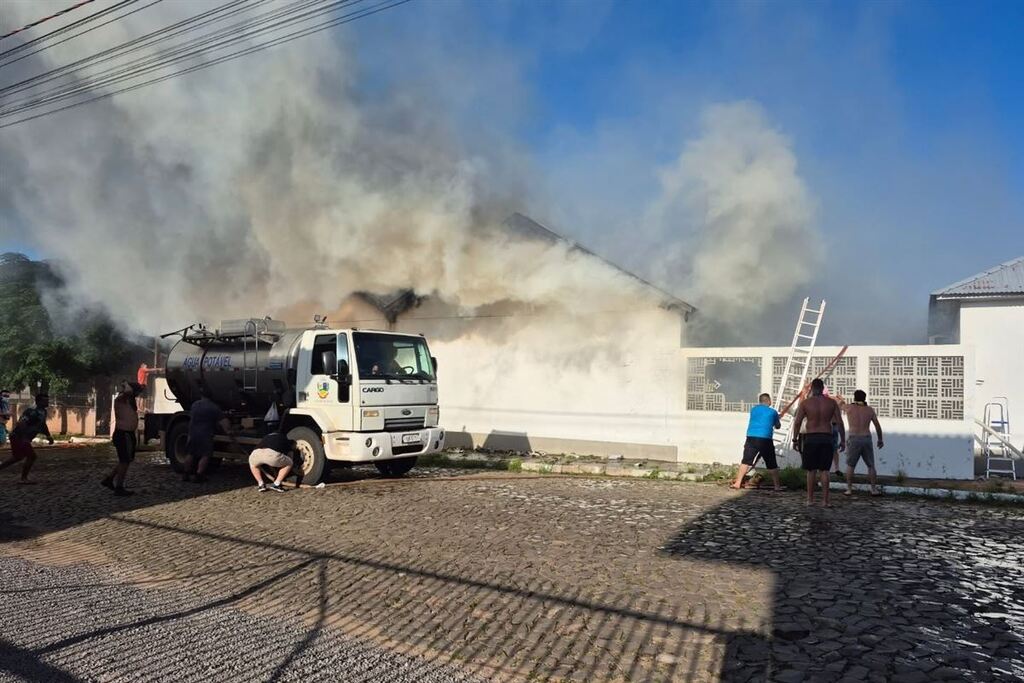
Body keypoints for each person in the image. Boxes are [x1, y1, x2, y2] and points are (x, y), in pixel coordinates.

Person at [792, 378, 845, 507]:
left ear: (812, 389)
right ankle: (825, 501)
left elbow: (798, 422)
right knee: (824, 471)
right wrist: (843, 440)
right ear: (822, 389)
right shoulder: (832, 403)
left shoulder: (806, 403)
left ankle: (810, 500)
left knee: (811, 470)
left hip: (811, 438)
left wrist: (795, 439)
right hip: (826, 437)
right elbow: (840, 422)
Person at [730, 393, 782, 492]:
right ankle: (777, 486)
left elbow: (761, 419)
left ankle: (737, 483)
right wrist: (777, 419)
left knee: (745, 461)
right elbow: (777, 426)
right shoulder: (773, 412)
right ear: (768, 401)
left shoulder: (753, 410)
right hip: (765, 439)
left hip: (751, 437)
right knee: (772, 463)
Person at [182, 386, 232, 483]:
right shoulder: (214, 407)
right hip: (206, 433)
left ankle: (186, 473)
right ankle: (199, 474)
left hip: (193, 433)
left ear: (202, 395)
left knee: (190, 453)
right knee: (205, 454)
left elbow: (192, 419)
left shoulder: (195, 405)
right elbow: (224, 422)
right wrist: (229, 431)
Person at [0, 393, 53, 484]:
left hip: (22, 438)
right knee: (32, 456)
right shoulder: (32, 411)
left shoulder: (43, 411)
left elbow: (43, 425)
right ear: (39, 401)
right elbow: (21, 423)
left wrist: (48, 436)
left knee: (17, 457)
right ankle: (23, 479)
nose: (47, 402)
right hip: (19, 437)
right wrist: (24, 438)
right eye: (45, 400)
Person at [102, 381, 143, 496]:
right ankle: (119, 487)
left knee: (124, 460)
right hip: (123, 434)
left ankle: (110, 479)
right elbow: (127, 392)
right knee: (125, 461)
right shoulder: (121, 398)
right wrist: (126, 385)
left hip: (127, 434)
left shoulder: (129, 400)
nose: (138, 395)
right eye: (137, 392)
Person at [844, 389, 884, 496]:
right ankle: (873, 489)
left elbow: (840, 405)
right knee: (871, 465)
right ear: (865, 398)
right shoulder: (870, 410)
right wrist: (880, 439)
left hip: (854, 438)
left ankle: (849, 489)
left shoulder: (849, 408)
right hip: (866, 438)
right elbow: (877, 426)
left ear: (854, 398)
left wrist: (839, 399)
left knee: (850, 465)